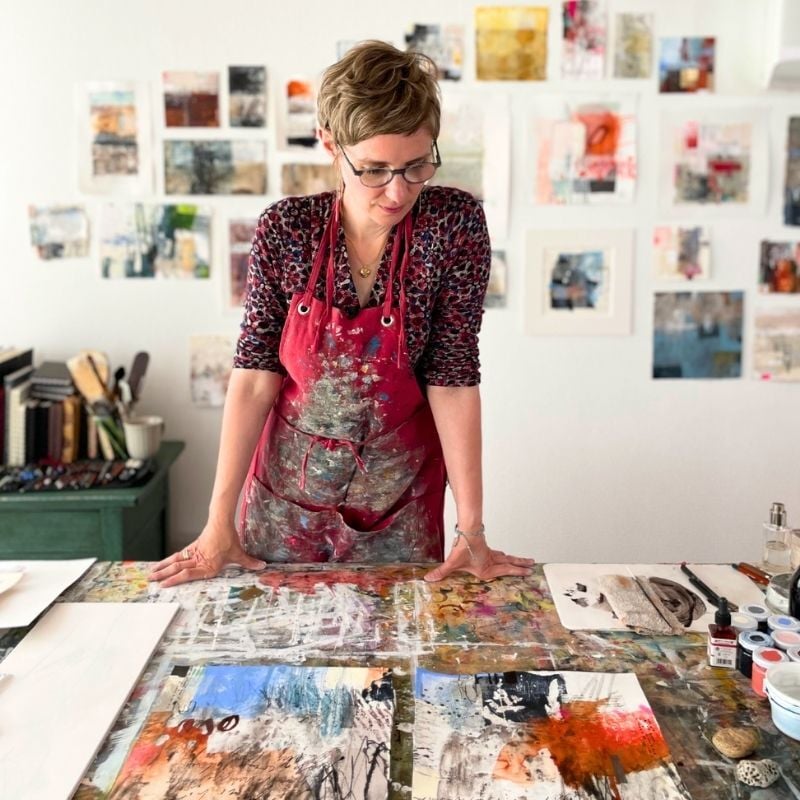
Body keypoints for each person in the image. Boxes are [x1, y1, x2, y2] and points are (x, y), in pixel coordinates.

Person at [150, 40, 533, 588]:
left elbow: (452, 375)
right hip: (284, 507)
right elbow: (256, 377)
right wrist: (217, 525)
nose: (398, 191)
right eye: (374, 170)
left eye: (416, 166)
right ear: (330, 144)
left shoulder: (454, 225)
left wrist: (471, 528)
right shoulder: (286, 231)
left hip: (398, 504)